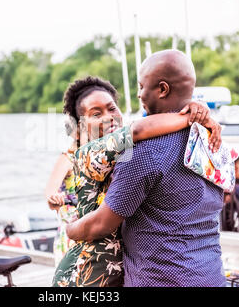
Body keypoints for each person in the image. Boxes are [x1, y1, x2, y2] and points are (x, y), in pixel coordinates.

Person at [66, 50, 229, 287]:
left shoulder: (142, 153)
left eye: (142, 86)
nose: (139, 93)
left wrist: (70, 230)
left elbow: (102, 224)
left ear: (162, 89)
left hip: (160, 279)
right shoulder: (213, 140)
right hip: (211, 275)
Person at [45, 142, 79, 266]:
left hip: (92, 228)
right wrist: (56, 198)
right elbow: (50, 194)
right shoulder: (67, 158)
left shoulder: (98, 159)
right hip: (70, 230)